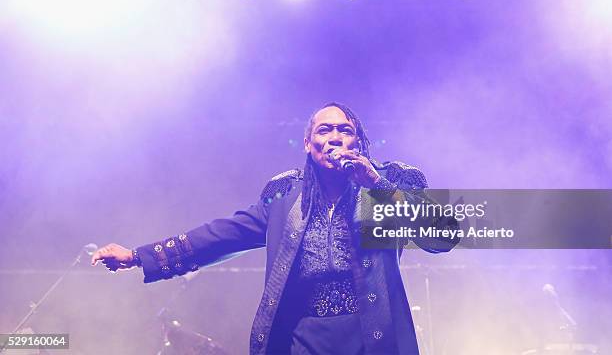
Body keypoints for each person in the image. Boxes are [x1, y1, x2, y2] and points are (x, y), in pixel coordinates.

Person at [91, 102, 458, 354]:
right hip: (304, 338)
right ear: (308, 143)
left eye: (344, 130)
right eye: (324, 130)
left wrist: (376, 183)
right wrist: (139, 256)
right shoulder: (286, 198)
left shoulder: (387, 184)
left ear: (358, 142)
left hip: (370, 335)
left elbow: (443, 235)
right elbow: (221, 235)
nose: (334, 137)